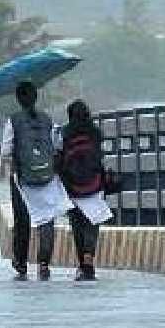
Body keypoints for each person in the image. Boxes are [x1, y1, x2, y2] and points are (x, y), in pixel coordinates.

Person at [2, 81, 72, 280]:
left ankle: (21, 263)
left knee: (22, 219)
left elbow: (5, 151)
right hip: (48, 176)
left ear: (18, 99)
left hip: (22, 179)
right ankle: (43, 264)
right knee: (46, 219)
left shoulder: (12, 121)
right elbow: (58, 146)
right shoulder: (48, 120)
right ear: (35, 97)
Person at [55, 99, 113, 281]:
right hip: (94, 182)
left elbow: (57, 156)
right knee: (92, 222)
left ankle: (82, 264)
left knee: (77, 223)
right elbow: (100, 155)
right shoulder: (96, 133)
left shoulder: (64, 133)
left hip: (71, 184)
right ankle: (89, 258)